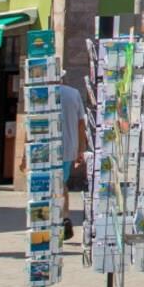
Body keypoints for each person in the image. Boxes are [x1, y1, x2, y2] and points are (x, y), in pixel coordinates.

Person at [55, 81, 86, 241]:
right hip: (68, 148)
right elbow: (81, 123)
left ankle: (55, 220)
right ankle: (65, 217)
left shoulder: (42, 90)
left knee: (49, 185)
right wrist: (81, 149)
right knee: (62, 184)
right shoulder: (74, 93)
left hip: (48, 147)